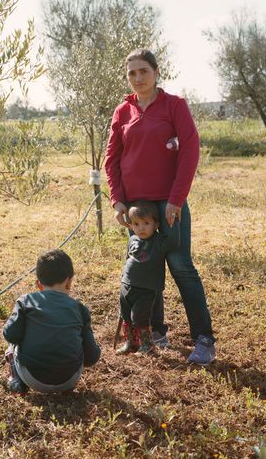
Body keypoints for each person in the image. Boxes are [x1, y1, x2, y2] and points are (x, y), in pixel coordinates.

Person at [105, 48, 216, 365]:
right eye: (132, 73)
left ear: (156, 72)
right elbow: (111, 161)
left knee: (182, 268)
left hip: (169, 204)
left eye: (143, 71)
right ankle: (154, 332)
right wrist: (117, 202)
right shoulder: (122, 112)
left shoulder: (174, 106)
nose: (138, 78)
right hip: (137, 212)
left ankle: (204, 340)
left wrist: (176, 200)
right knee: (143, 271)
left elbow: (190, 151)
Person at [2, 250, 101, 394]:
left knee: (12, 342)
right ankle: (65, 388)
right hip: (69, 378)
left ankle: (17, 380)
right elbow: (91, 358)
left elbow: (10, 335)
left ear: (38, 284)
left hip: (32, 377)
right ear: (69, 282)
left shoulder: (25, 302)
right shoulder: (80, 309)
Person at [116, 200, 180, 355]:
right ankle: (132, 343)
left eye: (146, 223)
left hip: (146, 289)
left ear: (156, 224)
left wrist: (174, 220)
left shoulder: (158, 242)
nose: (141, 228)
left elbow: (174, 241)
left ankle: (148, 345)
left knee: (140, 317)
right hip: (127, 286)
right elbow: (128, 259)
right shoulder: (132, 239)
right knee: (126, 316)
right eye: (136, 224)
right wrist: (123, 278)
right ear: (131, 225)